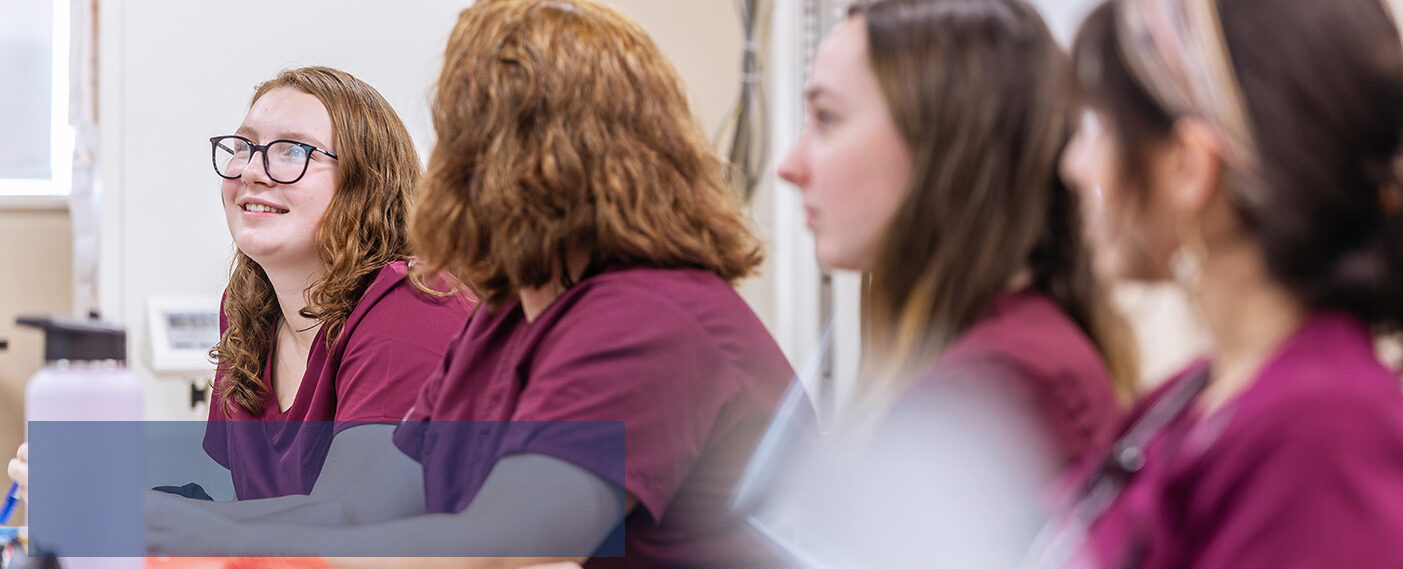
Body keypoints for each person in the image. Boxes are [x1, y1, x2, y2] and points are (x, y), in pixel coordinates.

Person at [144, 2, 801, 567]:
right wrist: (169, 520)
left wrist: (197, 533)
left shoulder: (647, 315)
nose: (450, 164)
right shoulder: (504, 319)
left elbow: (498, 541)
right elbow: (362, 511)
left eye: (465, 134)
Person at [10, 66, 474, 523]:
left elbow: (351, 523)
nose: (252, 170)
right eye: (244, 147)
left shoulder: (411, 302)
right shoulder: (249, 310)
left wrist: (121, 508)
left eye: (292, 151)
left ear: (367, 183)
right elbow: (254, 515)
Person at [1035, 0, 1403, 566]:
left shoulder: (1322, 439)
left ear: (1189, 167)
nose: (1075, 166)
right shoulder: (1191, 397)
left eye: (1101, 128)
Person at [777, 0, 1136, 467]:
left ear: (944, 144)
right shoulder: (990, 354)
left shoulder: (995, 389)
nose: (789, 166)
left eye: (826, 118)